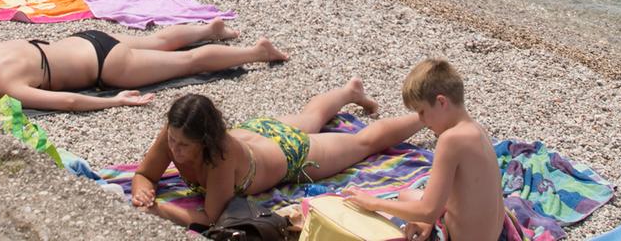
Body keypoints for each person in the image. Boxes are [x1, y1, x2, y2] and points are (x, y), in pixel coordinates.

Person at [130, 83, 426, 228]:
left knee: (363, 143)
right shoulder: (175, 129)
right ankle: (350, 90)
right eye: (173, 141)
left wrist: (160, 210)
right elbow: (144, 175)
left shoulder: (218, 157)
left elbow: (209, 218)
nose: (175, 150)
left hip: (287, 151)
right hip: (257, 133)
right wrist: (143, 190)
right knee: (312, 115)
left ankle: (425, 117)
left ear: (204, 141)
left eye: (184, 146)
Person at [0, 19, 288, 113]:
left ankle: (257, 53)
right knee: (160, 41)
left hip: (106, 66)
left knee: (186, 62)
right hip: (87, 39)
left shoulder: (8, 85)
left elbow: (70, 102)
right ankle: (212, 29)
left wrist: (115, 100)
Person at [346, 59, 503, 241]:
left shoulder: (450, 139)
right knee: (406, 195)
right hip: (490, 234)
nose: (421, 120)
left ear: (441, 102)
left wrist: (374, 203)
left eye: (421, 112)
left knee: (373, 220)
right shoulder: (476, 129)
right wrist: (428, 217)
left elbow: (428, 211)